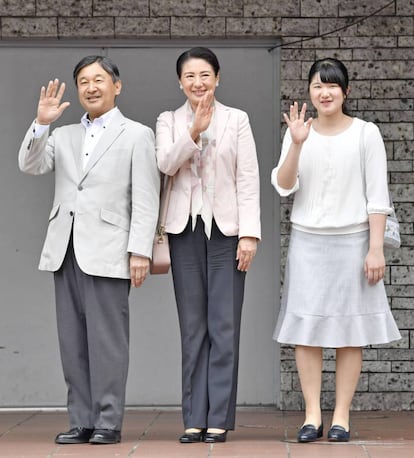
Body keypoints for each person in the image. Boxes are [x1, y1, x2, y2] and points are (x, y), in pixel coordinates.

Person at [18, 55, 160, 445]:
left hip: (110, 249)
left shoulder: (136, 134)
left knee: (107, 343)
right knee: (73, 342)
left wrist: (140, 251)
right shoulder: (61, 135)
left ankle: (108, 422)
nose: (91, 87)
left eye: (99, 79)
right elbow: (29, 165)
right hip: (65, 248)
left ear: (117, 85)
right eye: (83, 81)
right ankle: (81, 420)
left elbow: (146, 198)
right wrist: (42, 123)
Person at [271, 57, 401, 443]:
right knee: (306, 330)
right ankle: (312, 415)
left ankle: (341, 415)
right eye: (317, 85)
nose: (324, 92)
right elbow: (283, 185)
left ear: (345, 91)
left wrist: (375, 248)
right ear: (309, 92)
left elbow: (378, 197)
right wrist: (296, 144)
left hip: (354, 241)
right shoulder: (299, 132)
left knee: (349, 332)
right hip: (308, 242)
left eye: (332, 85)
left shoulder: (366, 133)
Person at [155, 47, 261, 444]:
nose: (197, 83)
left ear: (217, 78)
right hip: (184, 231)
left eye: (204, 75)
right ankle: (193, 417)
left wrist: (249, 233)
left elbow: (247, 178)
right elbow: (166, 163)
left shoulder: (237, 119)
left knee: (224, 324)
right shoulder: (168, 120)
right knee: (192, 327)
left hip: (227, 232)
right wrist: (193, 130)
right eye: (189, 76)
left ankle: (217, 416)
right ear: (180, 82)